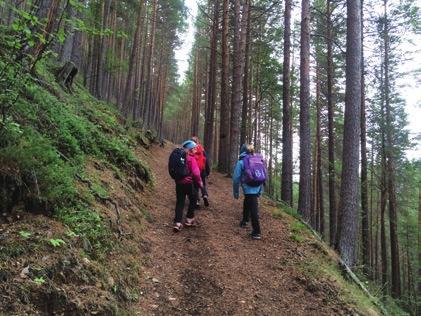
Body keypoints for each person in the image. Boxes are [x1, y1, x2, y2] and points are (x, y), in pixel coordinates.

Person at [232, 144, 264, 240]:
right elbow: (262, 175)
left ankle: (256, 232)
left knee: (254, 209)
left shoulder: (241, 162)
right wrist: (260, 190)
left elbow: (236, 179)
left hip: (248, 188)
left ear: (242, 151)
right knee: (248, 201)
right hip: (257, 186)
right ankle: (245, 220)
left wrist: (236, 192)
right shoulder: (258, 160)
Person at [173, 140, 203, 232]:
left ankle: (178, 223)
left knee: (180, 202)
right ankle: (189, 219)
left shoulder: (179, 157)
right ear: (189, 149)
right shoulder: (191, 159)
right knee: (193, 199)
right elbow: (196, 173)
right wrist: (200, 182)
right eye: (194, 148)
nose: (195, 149)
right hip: (189, 183)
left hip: (179, 183)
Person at [191, 136, 210, 207]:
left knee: (195, 186)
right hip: (202, 170)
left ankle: (197, 201)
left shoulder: (191, 149)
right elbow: (206, 161)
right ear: (198, 142)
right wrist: (208, 172)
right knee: (202, 183)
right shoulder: (202, 149)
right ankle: (204, 195)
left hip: (194, 170)